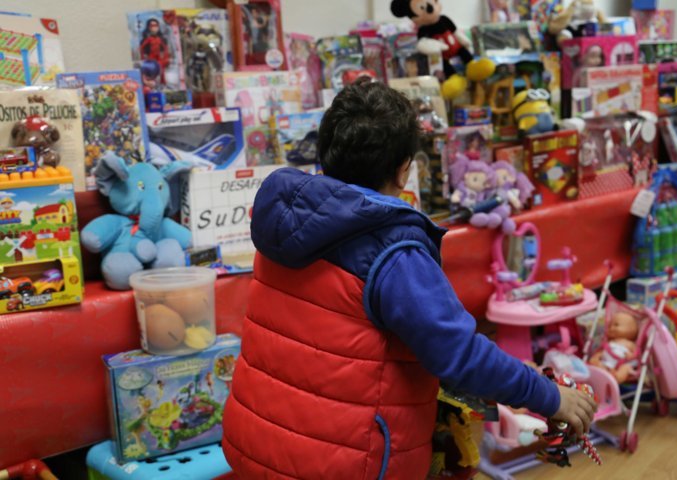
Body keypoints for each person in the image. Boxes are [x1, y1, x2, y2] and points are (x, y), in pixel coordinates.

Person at [222, 80, 597, 480]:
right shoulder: (393, 248)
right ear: (404, 170)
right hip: (343, 461)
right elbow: (460, 355)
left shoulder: (287, 221)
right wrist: (550, 395)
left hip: (256, 440)